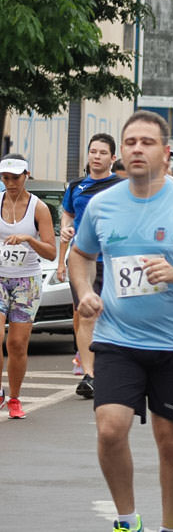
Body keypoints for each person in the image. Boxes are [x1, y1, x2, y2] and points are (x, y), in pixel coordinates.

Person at [68, 110, 173, 532]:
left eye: (147, 142)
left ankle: (169, 527)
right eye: (130, 142)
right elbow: (80, 255)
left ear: (167, 153)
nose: (137, 149)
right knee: (110, 429)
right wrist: (84, 292)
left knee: (170, 443)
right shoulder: (103, 205)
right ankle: (126, 520)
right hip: (118, 338)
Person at [58, 133, 124, 399]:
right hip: (83, 260)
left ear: (113, 158)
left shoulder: (121, 186)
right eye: (93, 152)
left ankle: (115, 369)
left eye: (102, 153)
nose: (96, 157)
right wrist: (64, 230)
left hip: (113, 260)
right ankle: (91, 375)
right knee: (86, 315)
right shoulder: (76, 187)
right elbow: (68, 214)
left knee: (111, 315)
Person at [0, 154, 58, 418]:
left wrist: (27, 239)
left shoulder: (39, 208)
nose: (10, 183)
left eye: (15, 177)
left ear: (26, 176)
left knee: (17, 343)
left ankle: (14, 397)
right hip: (0, 277)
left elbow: (50, 252)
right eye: (5, 178)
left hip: (27, 281)